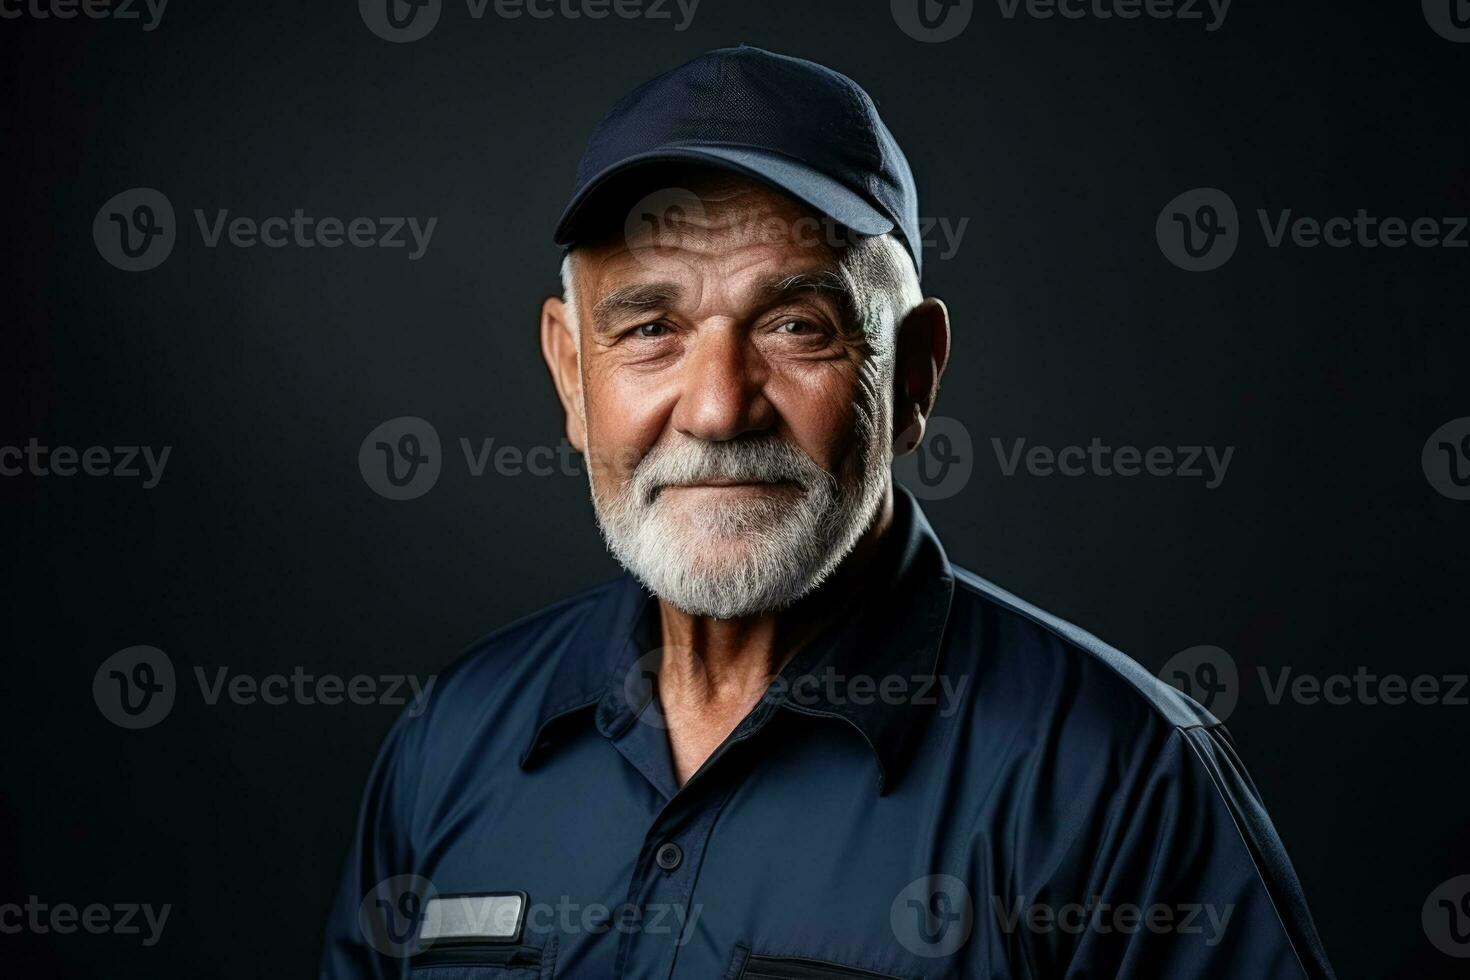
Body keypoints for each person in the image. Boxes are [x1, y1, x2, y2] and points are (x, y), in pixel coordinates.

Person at [321, 45, 1335, 979]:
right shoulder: (447, 746)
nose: (719, 407)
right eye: (650, 328)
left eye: (798, 325)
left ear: (915, 375)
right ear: (571, 376)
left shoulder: (1116, 783)